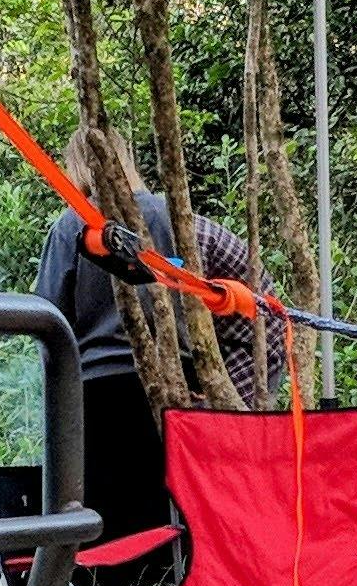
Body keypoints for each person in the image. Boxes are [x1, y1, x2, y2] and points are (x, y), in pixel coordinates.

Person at [33, 188, 267, 558]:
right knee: (168, 502)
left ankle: (102, 584)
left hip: (95, 390)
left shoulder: (70, 226)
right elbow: (259, 295)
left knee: (101, 511)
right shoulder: (179, 220)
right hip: (178, 383)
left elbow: (46, 316)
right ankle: (172, 575)